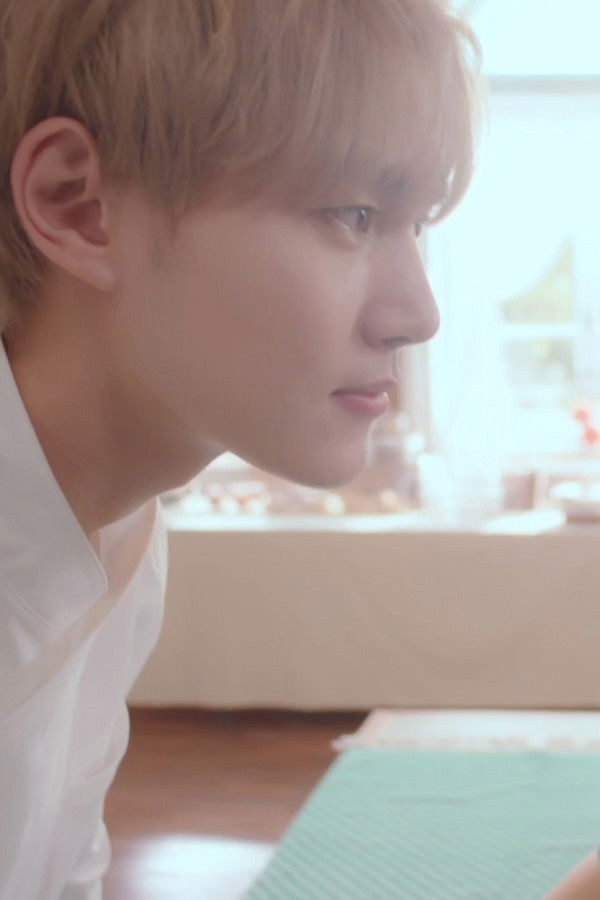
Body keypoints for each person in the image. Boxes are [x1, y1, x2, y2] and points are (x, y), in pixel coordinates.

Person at [0, 0, 480, 897]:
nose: (418, 315)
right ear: (79, 205)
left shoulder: (119, 536)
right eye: (353, 214)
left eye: (417, 223)